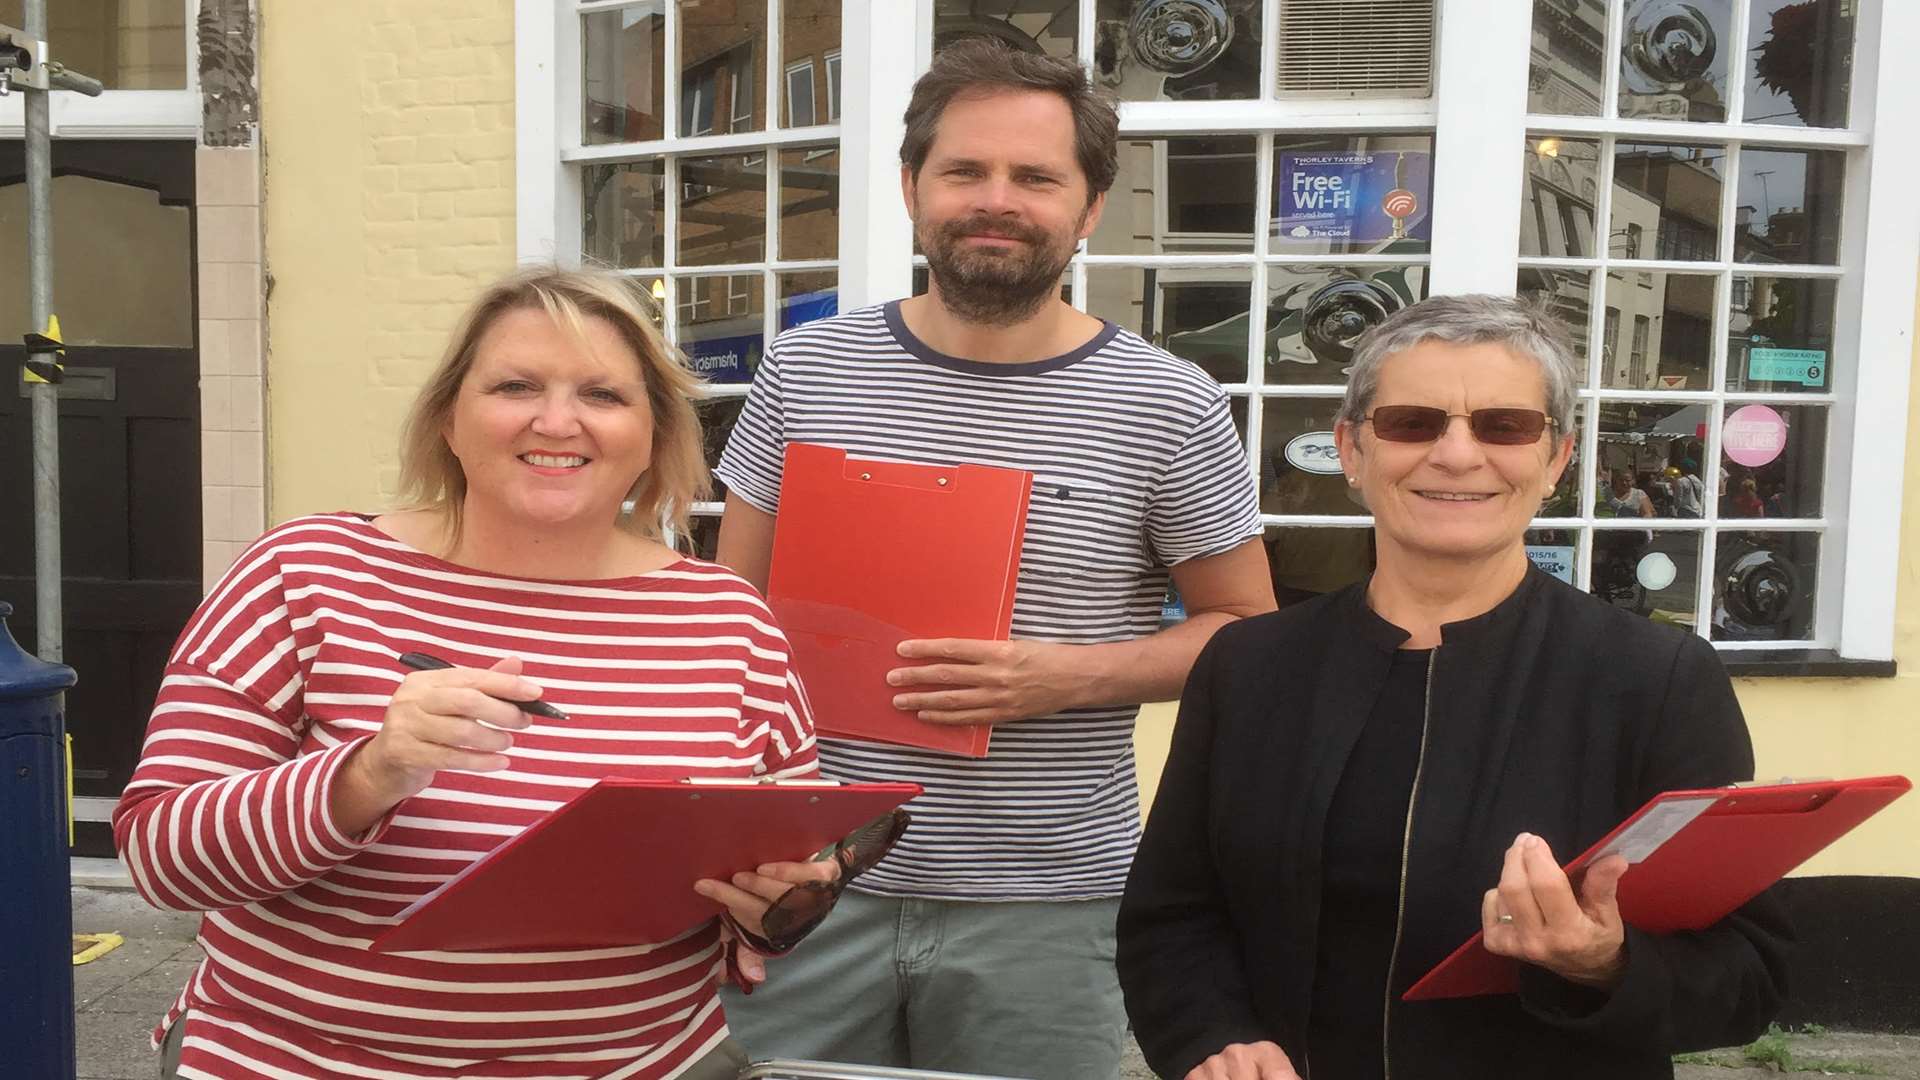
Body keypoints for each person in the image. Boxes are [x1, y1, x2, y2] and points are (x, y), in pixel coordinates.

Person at [711, 37, 1276, 1079]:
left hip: (1049, 906)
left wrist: (1067, 676)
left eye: (1035, 176)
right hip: (804, 884)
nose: (995, 199)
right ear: (911, 186)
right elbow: (726, 616)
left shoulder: (1170, 403)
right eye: (965, 170)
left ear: (1090, 204)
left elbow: (1249, 634)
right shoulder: (808, 367)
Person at [115, 267, 837, 1080]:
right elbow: (160, 856)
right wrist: (367, 773)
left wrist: (782, 907)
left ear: (655, 435)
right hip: (300, 1061)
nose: (557, 421)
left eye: (603, 395)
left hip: (641, 1063)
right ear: (449, 420)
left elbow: (783, 870)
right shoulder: (307, 571)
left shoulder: (727, 617)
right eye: (516, 385)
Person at [1118, 294, 1790, 1080]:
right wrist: (1213, 1040)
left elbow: (1749, 971)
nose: (1457, 454)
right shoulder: (1249, 667)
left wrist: (1605, 963)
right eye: (1413, 422)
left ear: (1557, 461)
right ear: (1351, 450)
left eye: (1504, 426)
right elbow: (1170, 920)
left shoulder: (1655, 679)